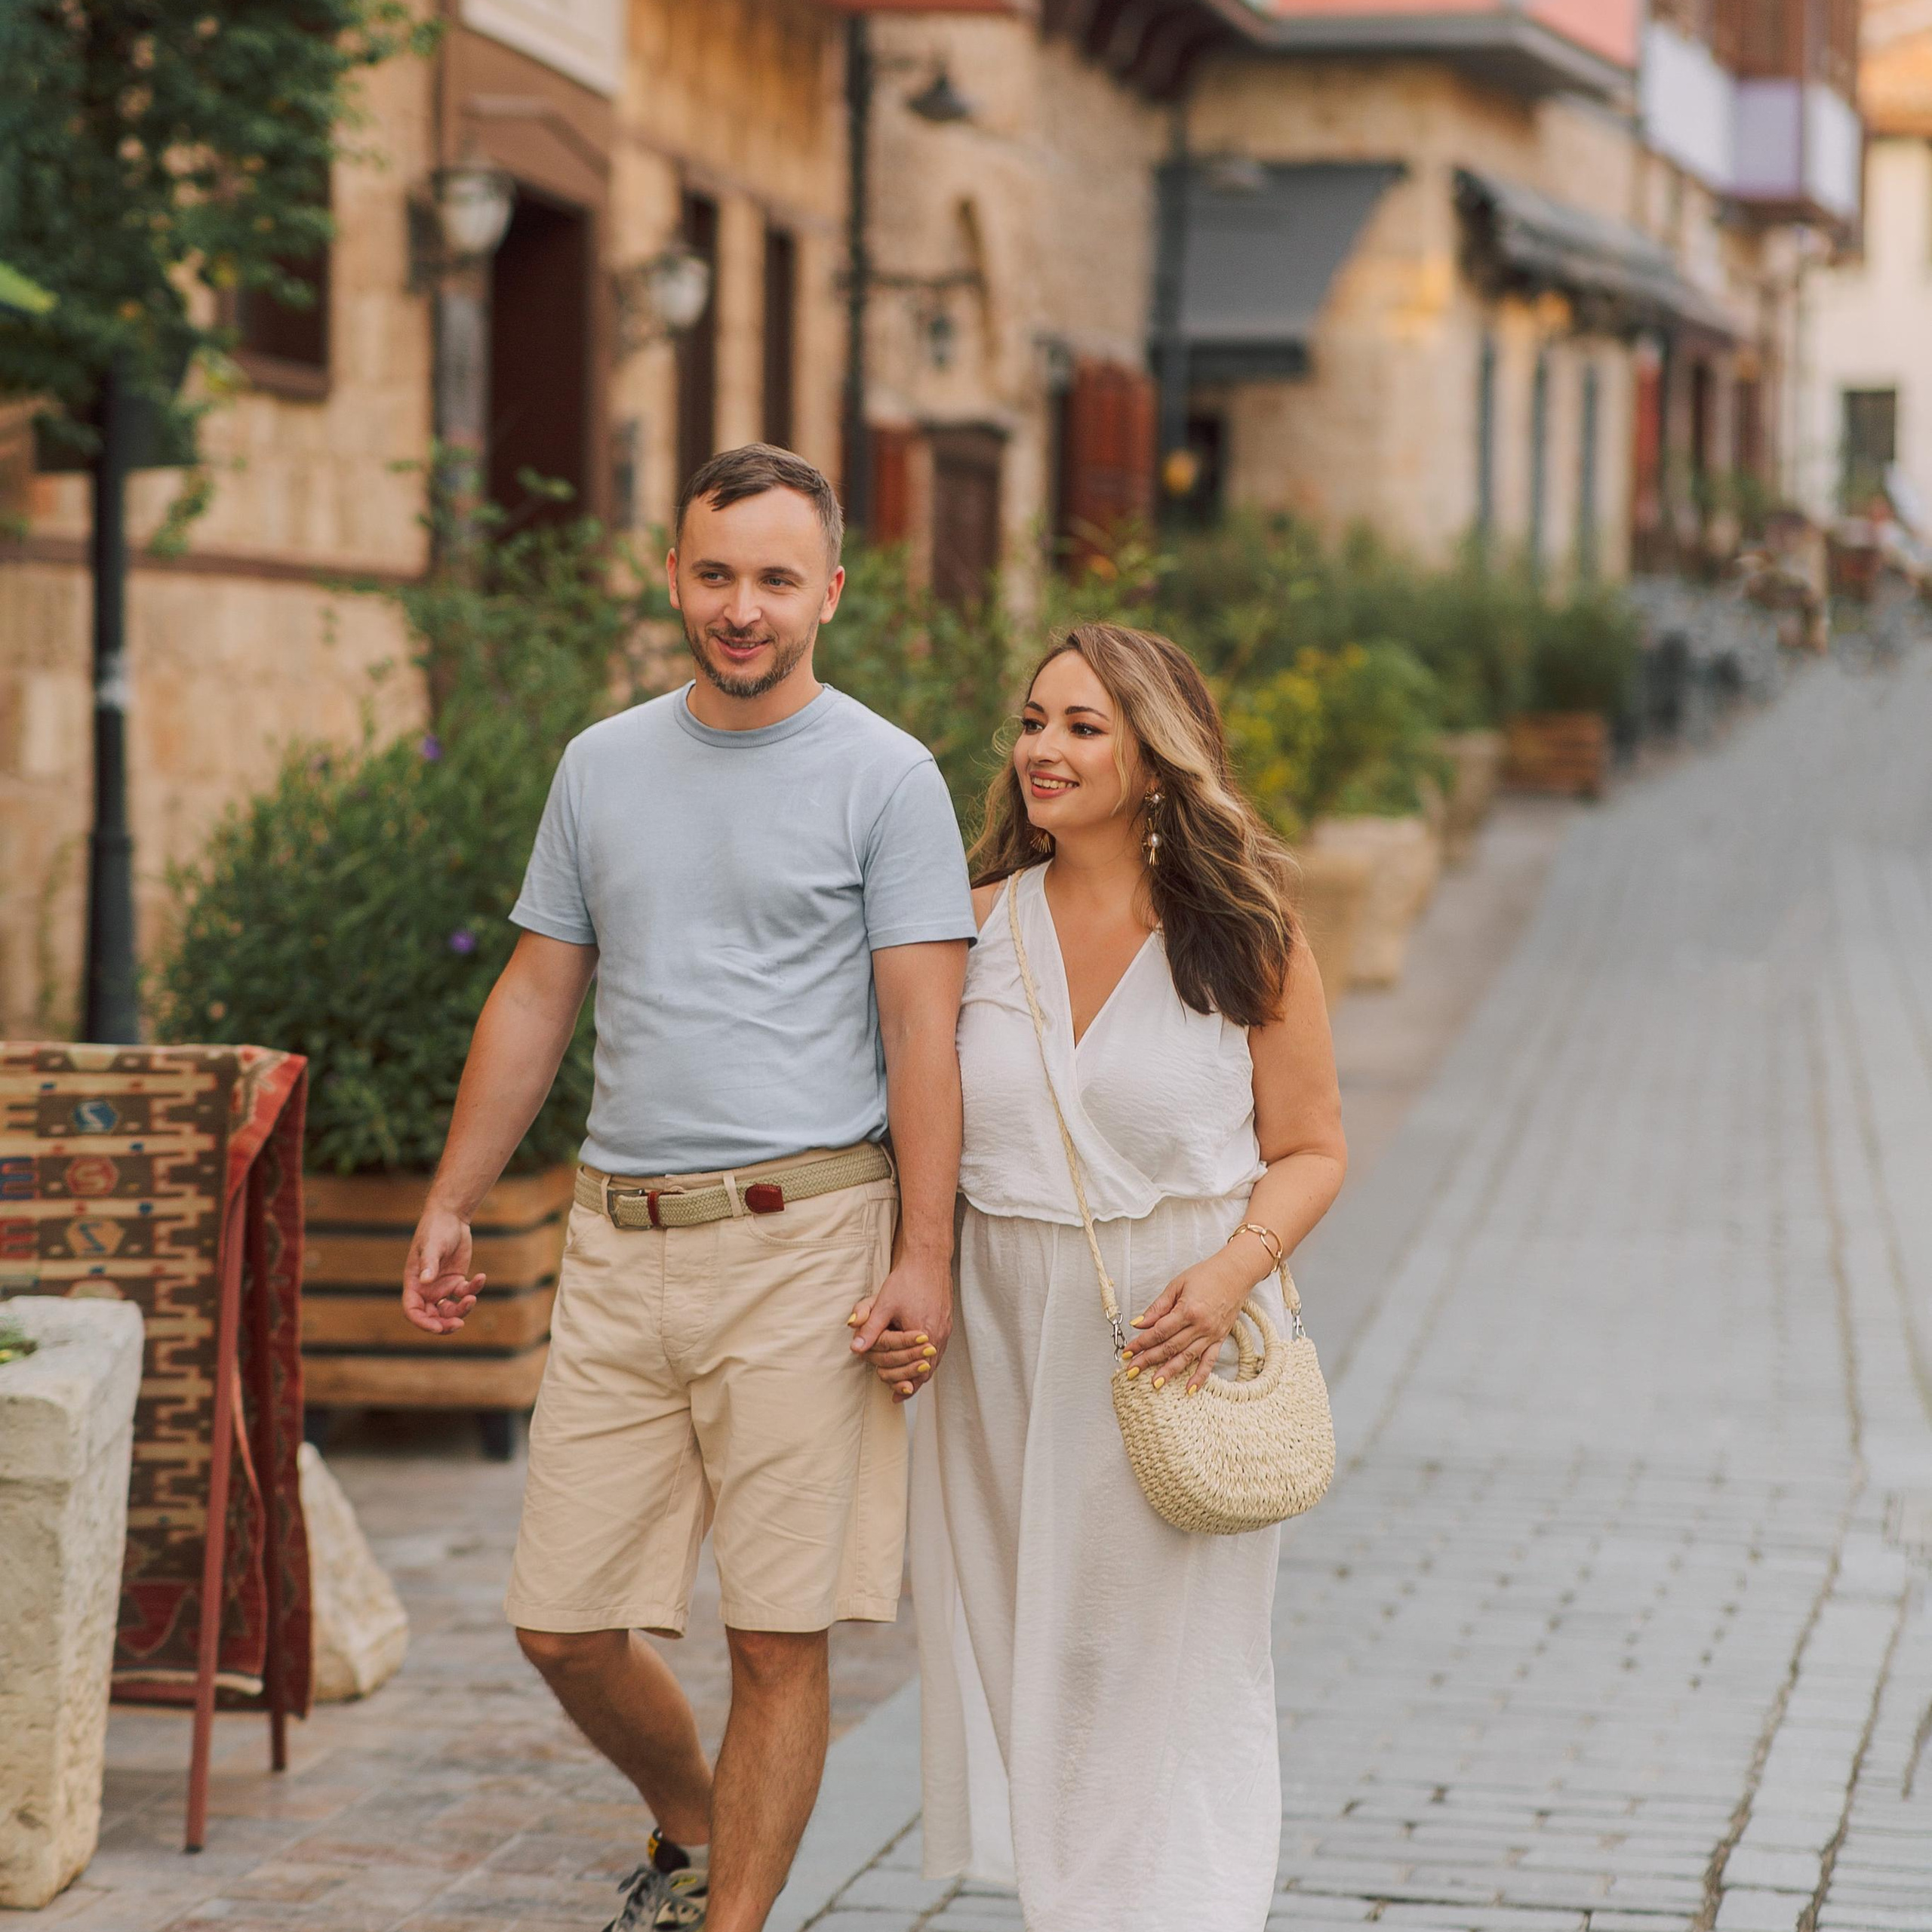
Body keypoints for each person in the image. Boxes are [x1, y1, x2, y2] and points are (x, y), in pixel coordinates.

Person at [400, 444, 977, 1932]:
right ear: (671, 573)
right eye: (714, 573)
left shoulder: (885, 774)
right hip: (616, 1235)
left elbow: (924, 1029)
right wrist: (454, 1192)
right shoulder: (600, 764)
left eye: (775, 579)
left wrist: (927, 1254)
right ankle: (697, 1827)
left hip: (808, 1246)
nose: (741, 607)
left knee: (777, 1636)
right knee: (561, 1621)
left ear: (828, 593)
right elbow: (536, 992)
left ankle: (728, 1920)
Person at [897, 623, 1348, 1931]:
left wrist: (1228, 1277)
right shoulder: (971, 925)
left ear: (1158, 756)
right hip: (1000, 1337)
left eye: (1084, 726)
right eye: (1034, 721)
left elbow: (1313, 1149)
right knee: (1038, 1657)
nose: (1044, 748)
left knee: (1168, 1672)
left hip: (1177, 1332)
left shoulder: (1242, 928)